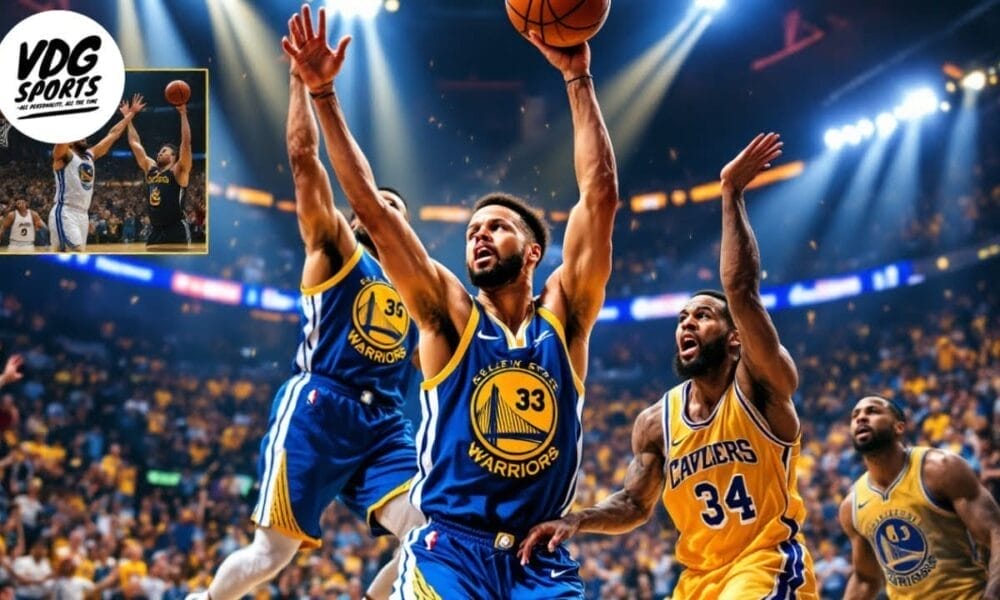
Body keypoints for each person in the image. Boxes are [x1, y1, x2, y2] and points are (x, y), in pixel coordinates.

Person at [282, 5, 619, 597]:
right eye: (472, 231)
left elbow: (601, 197)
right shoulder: (448, 313)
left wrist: (577, 77)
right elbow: (373, 215)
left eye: (497, 227)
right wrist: (325, 96)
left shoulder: (566, 317)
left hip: (540, 558)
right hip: (451, 550)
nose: (480, 234)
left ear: (535, 251)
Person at [518, 133, 817, 599]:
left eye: (702, 315)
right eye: (681, 318)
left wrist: (731, 193)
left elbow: (741, 291)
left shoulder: (761, 385)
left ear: (735, 336)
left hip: (764, 563)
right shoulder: (655, 422)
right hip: (697, 580)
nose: (686, 324)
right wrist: (577, 519)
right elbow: (635, 503)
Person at [188, 57, 423, 600]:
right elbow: (303, 158)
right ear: (360, 215)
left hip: (384, 421)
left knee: (432, 529)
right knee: (271, 555)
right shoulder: (336, 250)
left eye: (398, 210)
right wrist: (299, 81)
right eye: (378, 204)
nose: (387, 212)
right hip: (320, 404)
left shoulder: (419, 290)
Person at [839, 395, 1000, 599]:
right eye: (855, 416)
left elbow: (995, 532)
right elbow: (865, 580)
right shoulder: (851, 505)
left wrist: (993, 595)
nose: (861, 418)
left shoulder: (941, 469)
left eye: (872, 411)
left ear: (899, 427)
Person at [50, 98, 142, 252]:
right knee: (75, 253)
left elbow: (112, 134)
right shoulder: (64, 156)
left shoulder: (89, 156)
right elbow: (61, 141)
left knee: (65, 257)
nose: (83, 136)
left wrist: (130, 114)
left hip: (83, 215)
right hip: (66, 212)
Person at [121, 93, 193, 249]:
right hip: (155, 230)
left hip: (176, 229)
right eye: (160, 151)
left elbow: (186, 144)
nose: (160, 153)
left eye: (164, 151)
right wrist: (129, 118)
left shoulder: (178, 171)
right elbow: (135, 143)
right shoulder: (150, 168)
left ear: (174, 156)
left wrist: (183, 114)